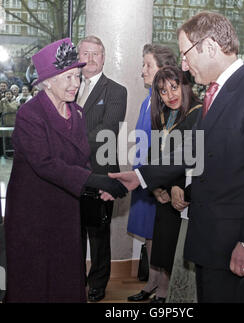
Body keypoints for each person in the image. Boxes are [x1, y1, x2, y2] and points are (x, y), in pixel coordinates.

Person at [107, 11, 244, 303]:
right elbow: (193, 147)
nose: (184, 65)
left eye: (186, 54)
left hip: (234, 240)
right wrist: (140, 176)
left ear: (211, 47)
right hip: (211, 236)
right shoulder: (218, 92)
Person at [4, 38, 127, 303]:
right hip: (33, 215)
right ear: (47, 82)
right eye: (68, 78)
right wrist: (94, 181)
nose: (75, 84)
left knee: (66, 278)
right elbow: (45, 163)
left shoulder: (77, 113)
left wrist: (98, 188)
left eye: (77, 77)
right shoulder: (29, 115)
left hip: (66, 211)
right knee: (35, 282)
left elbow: (81, 159)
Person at [77, 35, 127, 303]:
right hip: (70, 175)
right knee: (74, 233)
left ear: (104, 57)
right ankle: (74, 281)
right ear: (78, 57)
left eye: (97, 54)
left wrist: (68, 143)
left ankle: (97, 284)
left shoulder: (116, 90)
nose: (92, 58)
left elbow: (106, 131)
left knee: (97, 235)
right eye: (87, 53)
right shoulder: (70, 86)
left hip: (100, 174)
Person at [127, 44, 178, 302]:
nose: (143, 70)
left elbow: (169, 150)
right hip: (143, 179)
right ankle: (152, 283)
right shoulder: (148, 99)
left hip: (158, 182)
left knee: (161, 237)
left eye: (148, 65)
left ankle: (165, 289)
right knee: (148, 233)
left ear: (163, 70)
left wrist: (156, 183)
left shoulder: (171, 103)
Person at [148, 66, 202, 303]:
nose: (170, 94)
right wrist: (156, 187)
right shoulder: (163, 117)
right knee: (168, 255)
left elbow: (196, 158)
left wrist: (176, 186)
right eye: (163, 91)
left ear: (185, 85)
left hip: (186, 198)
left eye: (174, 86)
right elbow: (155, 154)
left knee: (185, 261)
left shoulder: (199, 113)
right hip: (165, 195)